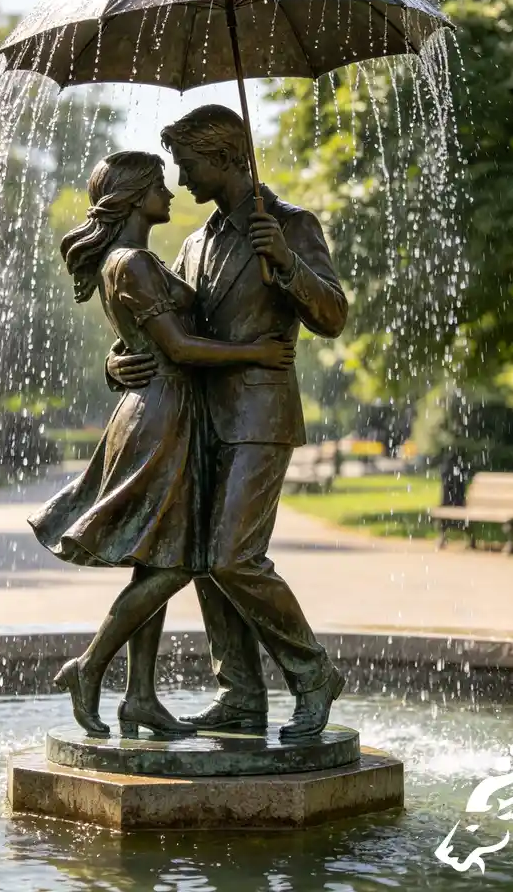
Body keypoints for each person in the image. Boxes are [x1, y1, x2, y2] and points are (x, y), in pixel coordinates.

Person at [28, 151, 295, 739]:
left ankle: (140, 698)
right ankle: (90, 665)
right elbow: (177, 346)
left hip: (173, 408)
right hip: (161, 414)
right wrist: (255, 353)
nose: (170, 190)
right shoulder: (132, 263)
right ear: (132, 197)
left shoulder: (142, 259)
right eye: (157, 184)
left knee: (156, 555)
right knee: (178, 561)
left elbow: (150, 337)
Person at [107, 104, 349, 739]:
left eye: (189, 165)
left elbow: (333, 316)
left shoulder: (290, 225)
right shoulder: (195, 244)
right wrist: (118, 360)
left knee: (234, 556)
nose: (182, 179)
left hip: (261, 415)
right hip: (197, 420)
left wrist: (288, 265)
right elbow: (171, 332)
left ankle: (312, 673)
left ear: (223, 158)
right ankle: (240, 694)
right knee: (206, 558)